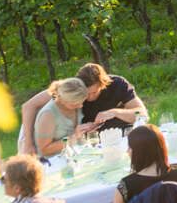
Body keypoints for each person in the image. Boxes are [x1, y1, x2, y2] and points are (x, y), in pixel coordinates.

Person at [20, 64, 148, 155]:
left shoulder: (117, 84)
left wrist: (115, 112)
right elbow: (28, 106)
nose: (89, 98)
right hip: (89, 147)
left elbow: (142, 114)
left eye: (94, 92)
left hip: (123, 140)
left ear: (103, 84)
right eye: (86, 94)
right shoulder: (72, 90)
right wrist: (28, 144)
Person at [34, 78, 88, 158]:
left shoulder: (75, 106)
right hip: (55, 162)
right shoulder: (48, 115)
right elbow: (44, 150)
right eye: (75, 104)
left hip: (76, 156)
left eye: (82, 102)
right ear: (62, 100)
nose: (80, 106)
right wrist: (74, 136)